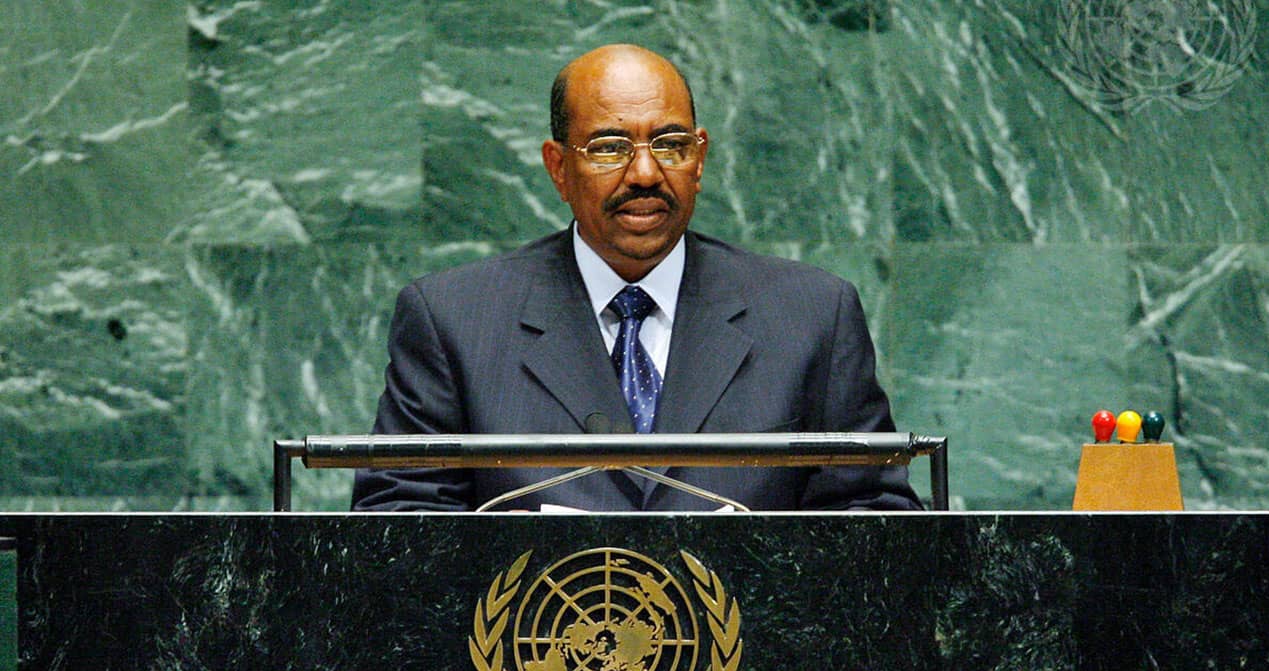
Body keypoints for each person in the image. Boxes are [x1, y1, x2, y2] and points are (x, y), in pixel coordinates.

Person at [351, 44, 921, 511]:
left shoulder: (812, 315)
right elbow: (401, 524)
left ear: (699, 160)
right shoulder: (454, 319)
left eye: (669, 145)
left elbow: (875, 521)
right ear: (557, 167)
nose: (645, 173)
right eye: (609, 147)